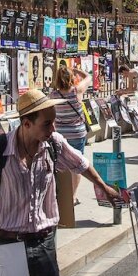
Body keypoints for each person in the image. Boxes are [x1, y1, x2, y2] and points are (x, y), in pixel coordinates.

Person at [0, 90, 123, 276]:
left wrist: (105, 187)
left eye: (54, 122)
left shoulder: (54, 144)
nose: (53, 129)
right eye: (47, 124)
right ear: (26, 123)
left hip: (44, 240)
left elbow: (81, 164)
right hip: (6, 241)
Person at [49, 66, 91, 205]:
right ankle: (72, 197)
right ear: (71, 78)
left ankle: (60, 195)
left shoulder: (53, 95)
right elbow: (89, 77)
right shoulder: (76, 91)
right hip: (77, 133)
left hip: (60, 135)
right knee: (77, 165)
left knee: (60, 165)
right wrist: (77, 71)